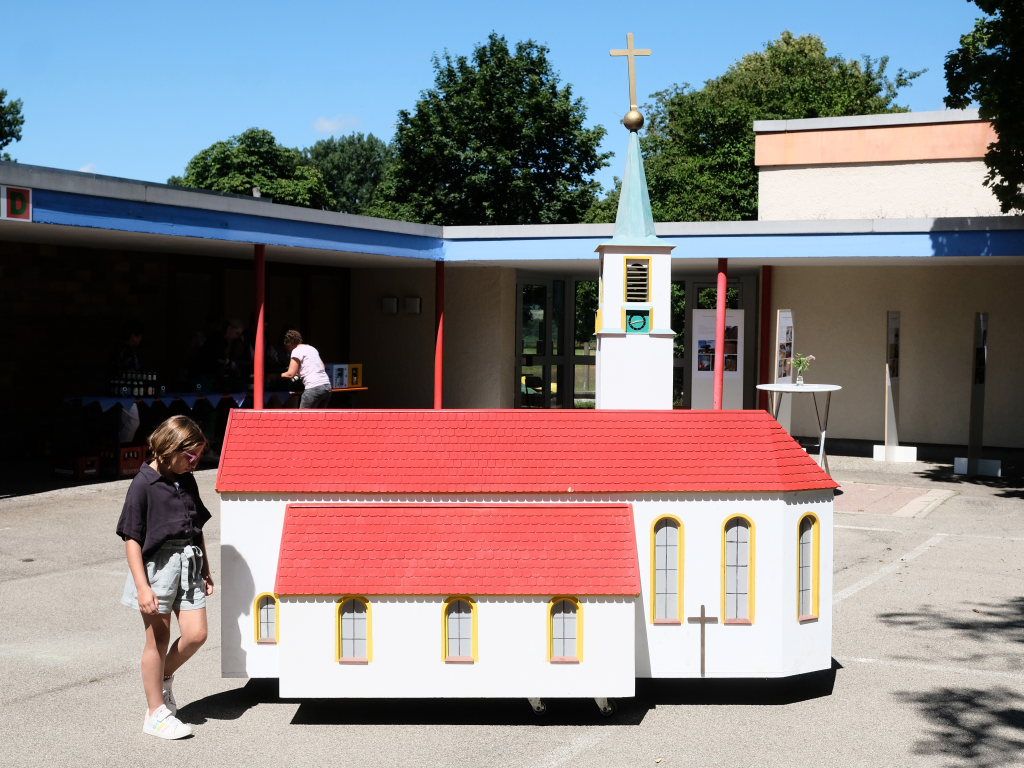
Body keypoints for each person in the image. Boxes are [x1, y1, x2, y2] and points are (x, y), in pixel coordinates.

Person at [116, 416, 213, 740]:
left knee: (197, 634)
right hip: (157, 567)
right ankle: (155, 714)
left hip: (189, 562)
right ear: (170, 448)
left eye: (198, 455)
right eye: (190, 455)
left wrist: (206, 568)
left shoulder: (187, 480)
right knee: (157, 640)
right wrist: (143, 587)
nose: (195, 462)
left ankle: (163, 677)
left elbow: (196, 526)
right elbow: (132, 539)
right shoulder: (143, 484)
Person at [281, 329, 332, 408]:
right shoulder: (311, 348)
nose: (288, 350)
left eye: (287, 347)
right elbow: (322, 366)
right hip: (327, 387)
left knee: (303, 415)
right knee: (319, 415)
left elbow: (290, 374)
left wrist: (279, 375)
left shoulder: (296, 351)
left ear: (289, 343)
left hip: (313, 387)